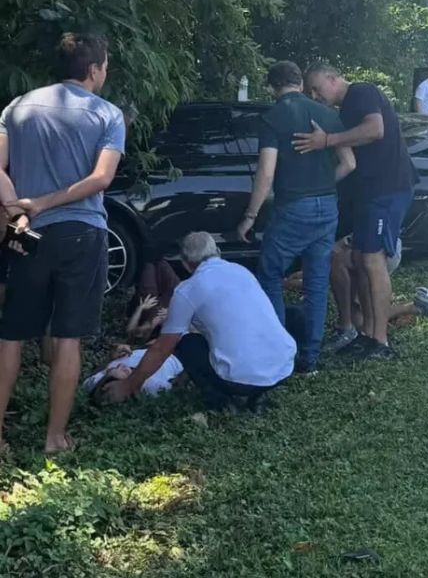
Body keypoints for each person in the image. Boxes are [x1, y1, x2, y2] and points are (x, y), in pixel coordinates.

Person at [0, 33, 126, 456]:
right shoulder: (107, 114)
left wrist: (17, 209)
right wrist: (45, 202)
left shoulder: (18, 107)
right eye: (105, 66)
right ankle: (55, 438)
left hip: (25, 237)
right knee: (69, 337)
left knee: (12, 334)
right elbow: (101, 179)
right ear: (93, 69)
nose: (105, 73)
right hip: (81, 233)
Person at [295, 63, 414, 359]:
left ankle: (381, 342)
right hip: (368, 193)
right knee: (360, 258)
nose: (314, 94)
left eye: (316, 87)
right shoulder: (344, 110)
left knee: (373, 259)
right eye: (309, 91)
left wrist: (328, 140)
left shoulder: (361, 92)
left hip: (387, 188)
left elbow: (375, 130)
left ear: (333, 79)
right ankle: (366, 334)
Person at [99, 232, 293, 411]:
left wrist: (129, 385)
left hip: (241, 379)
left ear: (186, 263)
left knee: (187, 342)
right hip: (283, 368)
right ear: (218, 252)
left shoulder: (188, 290)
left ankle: (222, 403)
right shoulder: (241, 271)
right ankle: (257, 397)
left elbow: (162, 348)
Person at [243, 61, 354, 373]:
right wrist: (322, 185)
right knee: (317, 282)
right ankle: (311, 357)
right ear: (301, 85)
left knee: (270, 274)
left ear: (271, 87)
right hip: (327, 205)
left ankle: (280, 351)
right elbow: (349, 164)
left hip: (293, 206)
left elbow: (266, 174)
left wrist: (250, 216)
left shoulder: (273, 118)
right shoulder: (329, 115)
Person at [85, 341, 183, 404]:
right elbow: (179, 384)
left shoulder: (97, 379)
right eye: (123, 371)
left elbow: (97, 373)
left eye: (108, 372)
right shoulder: (151, 385)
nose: (120, 366)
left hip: (150, 344)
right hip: (176, 353)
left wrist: (112, 357)